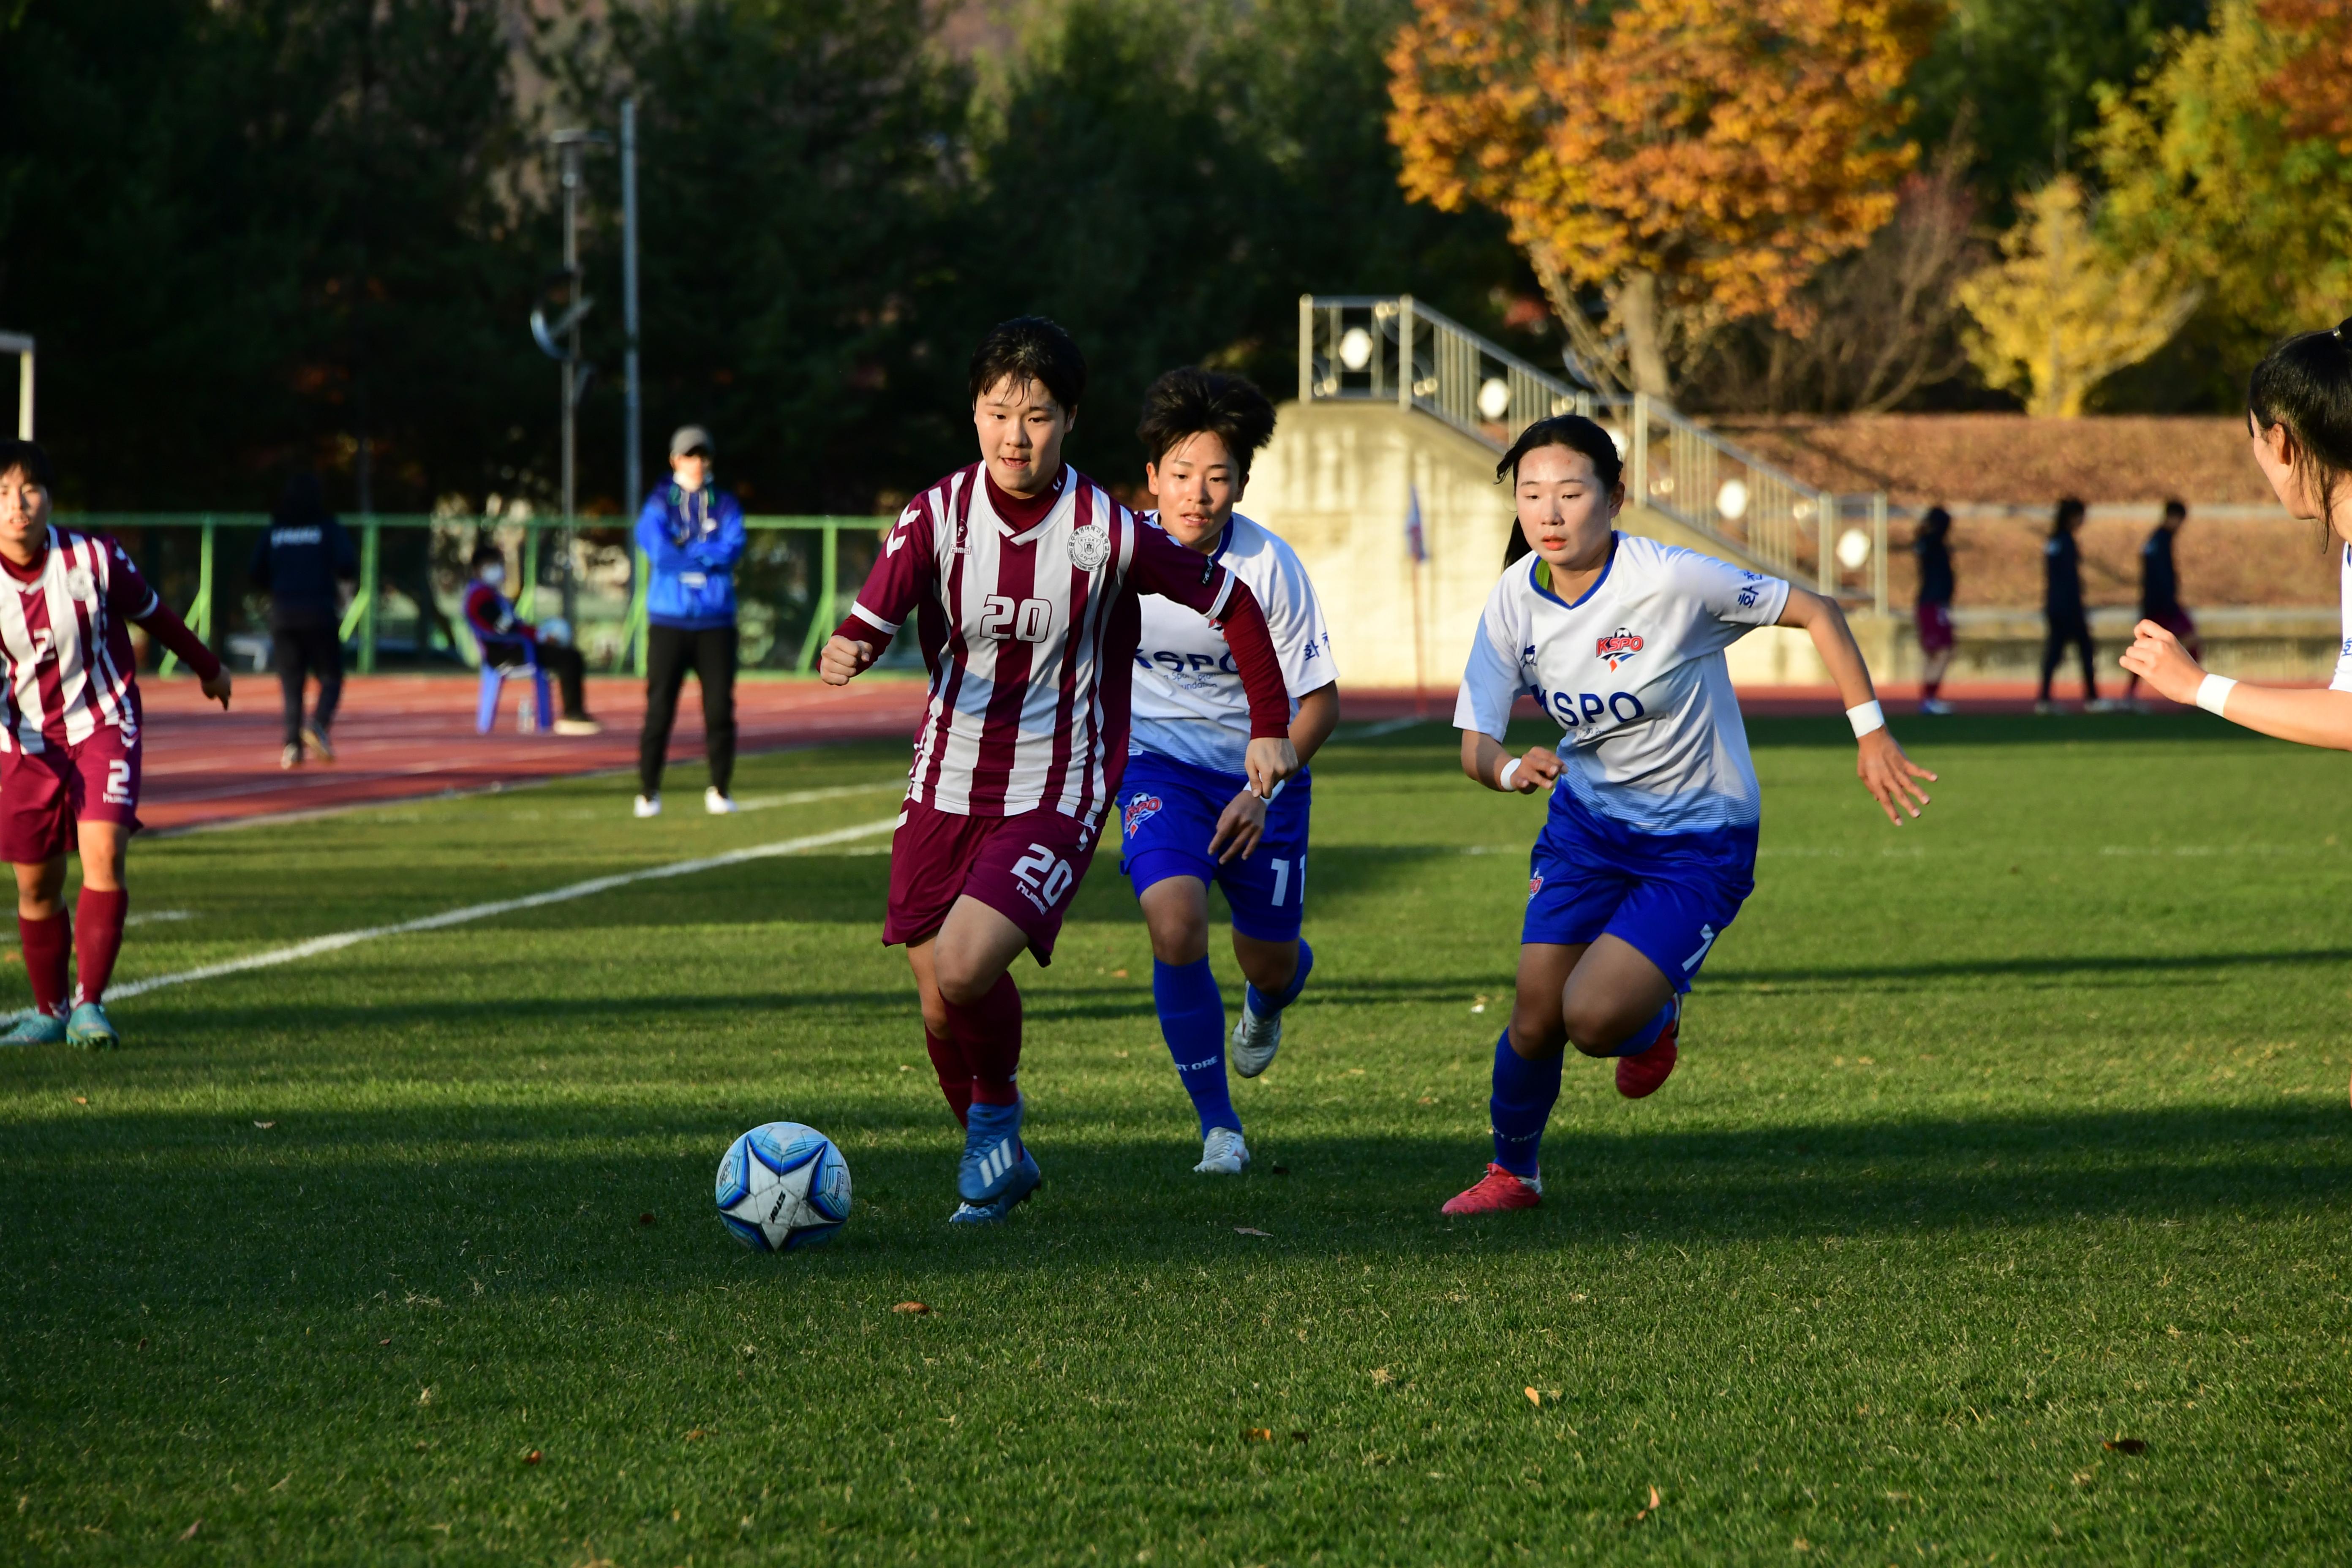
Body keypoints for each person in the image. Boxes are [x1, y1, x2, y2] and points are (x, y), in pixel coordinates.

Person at [818, 318, 1298, 1225]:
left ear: (1070, 419)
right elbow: (871, 614)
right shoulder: (935, 515)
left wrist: (1268, 726)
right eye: (999, 412)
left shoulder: (1106, 530)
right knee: (934, 998)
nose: (1016, 434)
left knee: (964, 969)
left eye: (1037, 415)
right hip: (943, 779)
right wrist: (849, 645)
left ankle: (996, 1113)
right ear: (974, 412)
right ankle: (997, 1164)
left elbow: (1230, 600)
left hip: (1057, 785)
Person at [1440, 415, 1936, 1215]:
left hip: (1697, 841)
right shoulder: (1513, 598)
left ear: (1615, 499)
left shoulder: (1669, 580)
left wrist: (1870, 730)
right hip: (1587, 828)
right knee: (1535, 1017)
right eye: (1532, 495)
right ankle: (1512, 1176)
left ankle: (1656, 1018)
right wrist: (1506, 767)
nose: (1549, 513)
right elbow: (1473, 740)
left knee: (1593, 1021)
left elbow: (1816, 611)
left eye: (1570, 493)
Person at [1116, 368, 1339, 1176]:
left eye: (1217, 478)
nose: (1197, 495)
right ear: (1152, 478)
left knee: (1267, 964)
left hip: (1262, 782)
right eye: (1180, 475)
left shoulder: (1270, 568)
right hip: (1158, 771)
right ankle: (1219, 1127)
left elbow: (1321, 704)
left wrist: (1260, 787)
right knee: (1174, 921)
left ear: (1242, 482)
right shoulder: (1119, 553)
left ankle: (1273, 995)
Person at [0, 440, 232, 1049]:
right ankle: (49, 1011)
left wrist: (208, 668)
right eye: (2, 494)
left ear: (50, 497)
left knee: (104, 853)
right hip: (22, 743)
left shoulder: (94, 559)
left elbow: (154, 614)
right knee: (36, 885)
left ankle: (89, 1006)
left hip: (103, 722)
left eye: (29, 490)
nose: (18, 506)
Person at [634, 425, 745, 818]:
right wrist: (703, 556)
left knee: (718, 709)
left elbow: (732, 548)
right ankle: (648, 791)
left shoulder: (726, 503)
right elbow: (658, 550)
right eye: (688, 455)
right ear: (674, 460)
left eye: (701, 455)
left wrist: (694, 551)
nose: (695, 463)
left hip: (715, 621)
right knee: (659, 708)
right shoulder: (659, 503)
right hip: (669, 619)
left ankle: (720, 788)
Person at [249, 472, 357, 768]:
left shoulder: (276, 529)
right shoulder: (327, 527)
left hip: (283, 614)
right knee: (331, 677)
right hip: (320, 612)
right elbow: (348, 564)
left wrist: (279, 587)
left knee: (291, 683)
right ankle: (318, 725)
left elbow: (255, 570)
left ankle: (292, 747)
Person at [460, 544, 598, 734]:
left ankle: (573, 713)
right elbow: (504, 627)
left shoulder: (492, 594)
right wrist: (539, 636)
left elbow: (513, 624)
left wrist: (537, 634)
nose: (497, 570)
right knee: (569, 658)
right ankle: (572, 715)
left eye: (498, 564)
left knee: (569, 655)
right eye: (491, 564)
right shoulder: (480, 596)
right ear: (478, 569)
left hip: (515, 647)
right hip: (506, 653)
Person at [2123, 498, 2198, 709]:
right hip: (2162, 607)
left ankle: (2130, 695)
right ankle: (2196, 692)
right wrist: (2169, 604)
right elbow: (2159, 579)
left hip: (2159, 605)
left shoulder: (2156, 540)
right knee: (2187, 640)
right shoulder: (2160, 541)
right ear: (2173, 518)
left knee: (2148, 648)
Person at [2037, 496, 2099, 714]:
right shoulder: (2066, 543)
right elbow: (2069, 580)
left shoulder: (2053, 541)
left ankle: (2044, 699)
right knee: (2084, 649)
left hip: (2055, 605)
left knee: (2055, 651)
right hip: (2068, 607)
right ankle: (2092, 698)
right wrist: (2077, 606)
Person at [1913, 504, 1956, 715]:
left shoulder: (1926, 543)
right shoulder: (1933, 545)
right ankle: (1929, 699)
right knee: (1943, 650)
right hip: (1933, 603)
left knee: (1937, 652)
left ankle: (1929, 698)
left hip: (1931, 603)